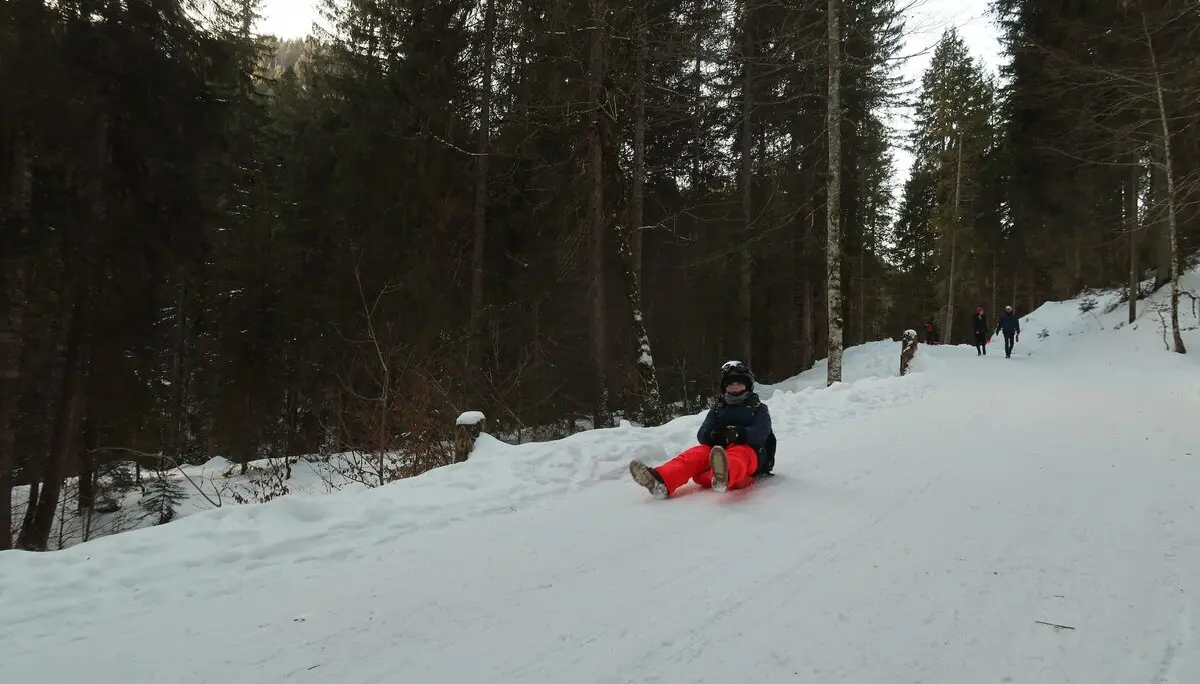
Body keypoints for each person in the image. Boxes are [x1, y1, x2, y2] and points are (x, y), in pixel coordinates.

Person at [629, 361, 774, 499]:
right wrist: (713, 435)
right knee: (695, 455)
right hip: (720, 449)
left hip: (751, 451)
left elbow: (762, 432)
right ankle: (661, 481)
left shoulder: (758, 408)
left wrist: (739, 434)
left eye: (739, 383)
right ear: (724, 387)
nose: (735, 387)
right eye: (730, 384)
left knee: (738, 454)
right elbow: (703, 432)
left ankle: (724, 475)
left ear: (748, 385)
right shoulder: (718, 409)